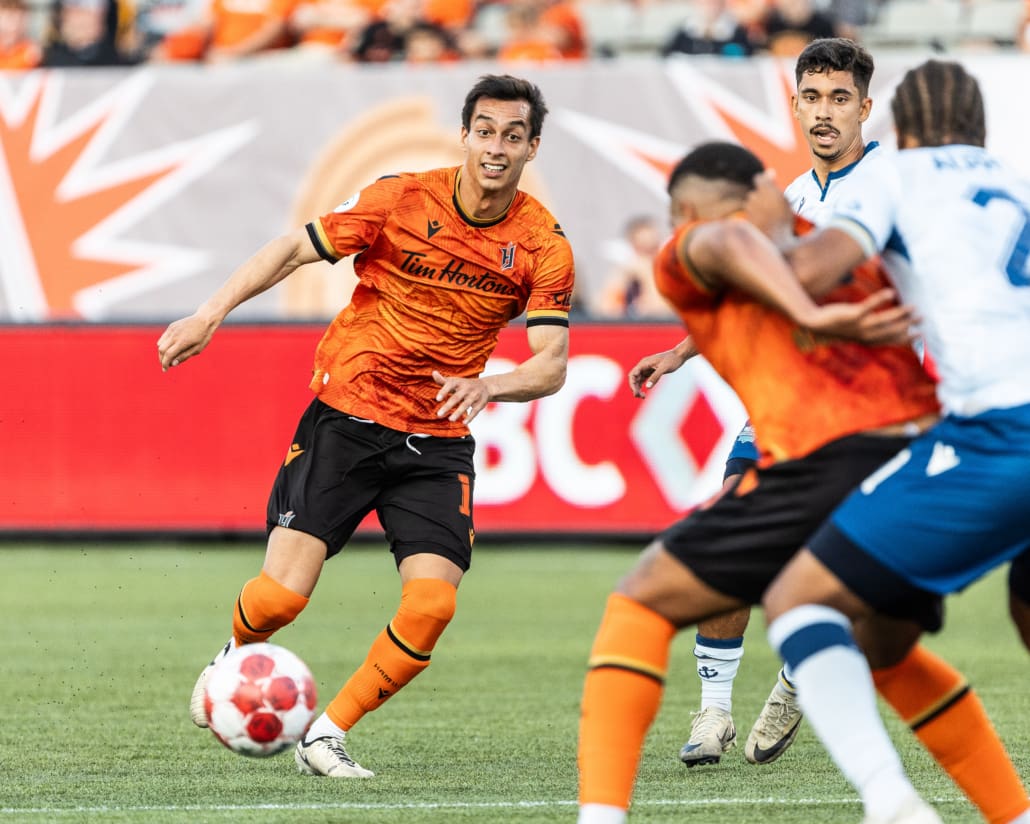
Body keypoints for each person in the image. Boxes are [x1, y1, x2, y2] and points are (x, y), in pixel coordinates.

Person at [576, 141, 1030, 824]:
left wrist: (808, 313)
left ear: (684, 209)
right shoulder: (840, 251)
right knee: (882, 648)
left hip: (825, 456)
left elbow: (726, 238)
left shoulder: (717, 240)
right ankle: (1011, 814)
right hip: (923, 458)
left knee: (639, 602)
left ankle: (605, 815)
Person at [157, 74, 575, 779]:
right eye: (485, 130)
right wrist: (209, 314)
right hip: (348, 417)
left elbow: (553, 364)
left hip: (438, 440)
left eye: (513, 135)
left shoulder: (541, 242)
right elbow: (293, 249)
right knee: (279, 598)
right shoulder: (403, 196)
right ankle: (231, 656)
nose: (496, 147)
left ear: (532, 147)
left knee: (433, 604)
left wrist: (489, 386)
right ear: (465, 133)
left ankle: (327, 735)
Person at [750, 58, 1030, 824]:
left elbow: (808, 271)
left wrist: (727, 246)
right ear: (979, 124)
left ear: (897, 126)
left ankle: (889, 800)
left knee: (798, 600)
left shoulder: (895, 174)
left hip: (1003, 432)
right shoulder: (1013, 179)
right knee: (983, 621)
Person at [634, 36, 883, 769]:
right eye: (812, 97)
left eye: (840, 98)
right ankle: (712, 713)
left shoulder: (893, 189)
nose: (825, 113)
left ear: (865, 107)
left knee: (854, 573)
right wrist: (679, 353)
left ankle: (797, 678)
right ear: (795, 106)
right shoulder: (785, 198)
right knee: (726, 548)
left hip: (869, 415)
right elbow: (746, 300)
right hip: (775, 407)